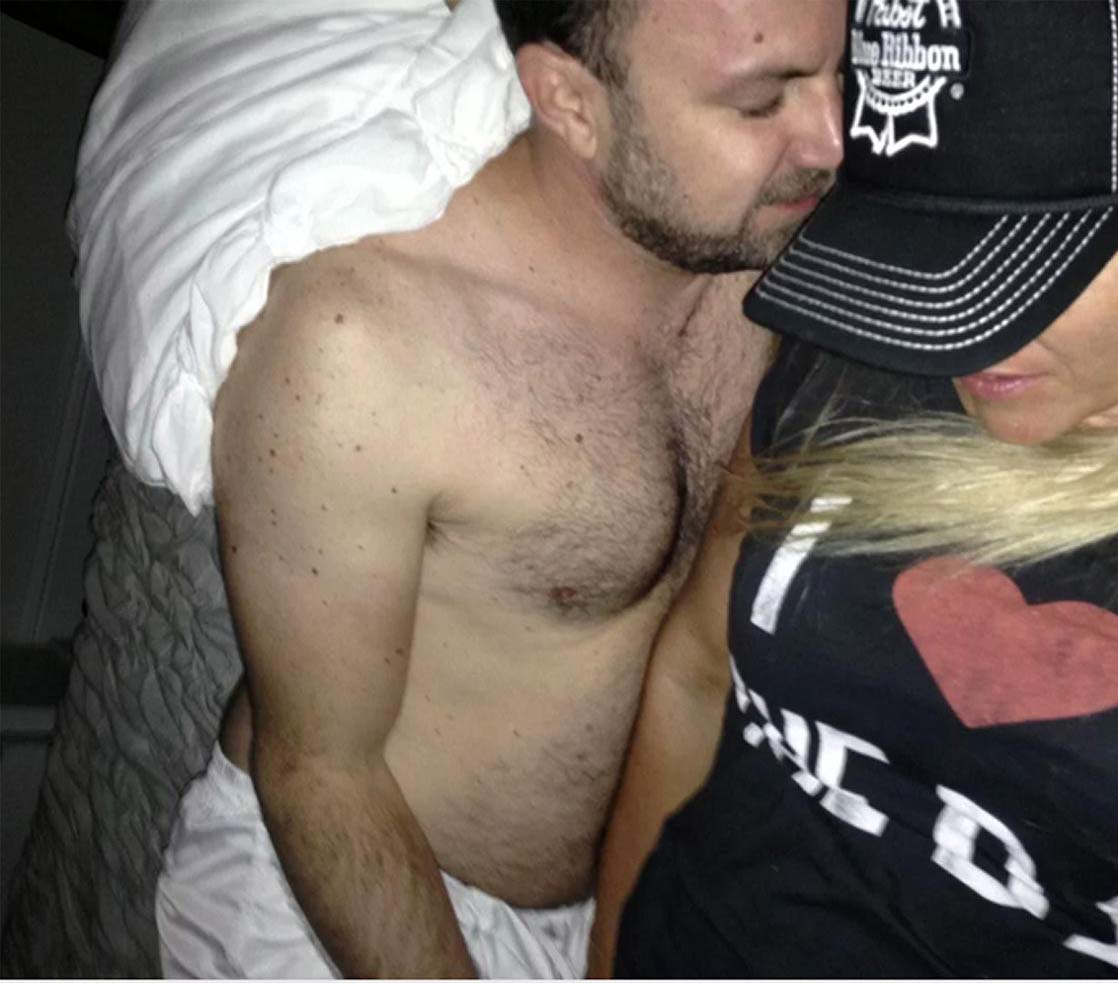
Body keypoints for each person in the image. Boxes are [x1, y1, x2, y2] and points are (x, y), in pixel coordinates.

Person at [153, 0, 844, 978]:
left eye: (836, 72)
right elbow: (319, 773)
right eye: (760, 102)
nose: (831, 140)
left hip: (610, 901)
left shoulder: (762, 258)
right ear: (570, 102)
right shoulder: (361, 350)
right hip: (341, 896)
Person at [593, 0, 1118, 976]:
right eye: (912, 230)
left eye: (1028, 243)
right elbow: (699, 668)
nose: (943, 330)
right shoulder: (864, 345)